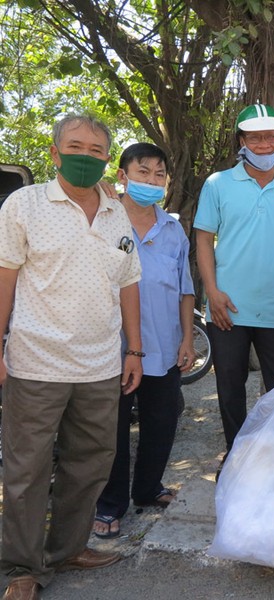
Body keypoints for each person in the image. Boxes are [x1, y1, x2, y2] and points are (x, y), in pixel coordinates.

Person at [0, 114, 143, 599]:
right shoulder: (25, 205)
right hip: (35, 362)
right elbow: (5, 278)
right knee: (28, 470)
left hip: (101, 365)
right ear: (56, 152)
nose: (86, 155)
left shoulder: (116, 211)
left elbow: (127, 283)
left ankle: (66, 549)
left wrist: (134, 349)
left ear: (107, 158)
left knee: (91, 462)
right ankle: (22, 566)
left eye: (97, 149)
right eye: (76, 146)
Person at [194, 104, 274, 471]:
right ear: (242, 141)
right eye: (255, 137)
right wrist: (211, 292)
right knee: (230, 383)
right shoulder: (218, 184)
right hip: (227, 305)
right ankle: (237, 451)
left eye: (271, 137)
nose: (264, 144)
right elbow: (202, 240)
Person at [93, 143, 195, 539]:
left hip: (164, 345)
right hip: (110, 348)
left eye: (159, 175)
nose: (151, 181)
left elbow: (186, 289)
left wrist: (187, 339)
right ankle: (109, 504)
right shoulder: (102, 220)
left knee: (162, 421)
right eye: (142, 172)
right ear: (122, 176)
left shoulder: (173, 229)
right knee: (111, 430)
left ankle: (148, 489)